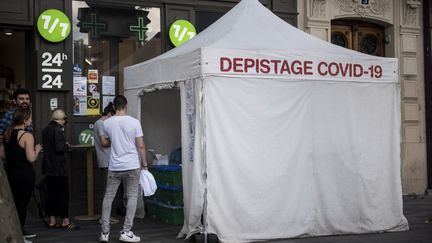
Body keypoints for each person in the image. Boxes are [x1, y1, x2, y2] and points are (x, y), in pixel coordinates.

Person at [99, 95, 148, 242]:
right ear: (126, 105)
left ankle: (105, 233)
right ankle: (126, 231)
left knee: (108, 198)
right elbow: (141, 145)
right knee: (132, 196)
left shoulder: (106, 123)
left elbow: (104, 143)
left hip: (115, 166)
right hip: (132, 165)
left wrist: (113, 138)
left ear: (113, 106)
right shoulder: (134, 122)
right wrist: (145, 165)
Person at [3, 108, 42, 240]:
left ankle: (16, 232)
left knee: (13, 203)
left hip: (10, 172)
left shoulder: (7, 133)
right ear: (25, 120)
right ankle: (19, 235)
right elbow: (31, 158)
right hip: (24, 174)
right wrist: (37, 150)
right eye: (30, 118)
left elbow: (2, 155)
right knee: (22, 204)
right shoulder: (26, 135)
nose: (31, 120)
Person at [42, 109, 77, 230]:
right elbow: (59, 149)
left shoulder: (46, 129)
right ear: (60, 119)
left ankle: (52, 220)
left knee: (51, 194)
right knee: (63, 194)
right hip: (59, 168)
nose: (65, 123)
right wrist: (66, 145)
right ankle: (65, 221)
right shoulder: (58, 130)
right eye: (65, 121)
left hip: (48, 167)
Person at [0, 88, 32, 160]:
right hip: (12, 159)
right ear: (14, 101)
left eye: (27, 99)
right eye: (21, 99)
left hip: (26, 157)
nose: (25, 101)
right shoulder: (9, 115)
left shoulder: (28, 115)